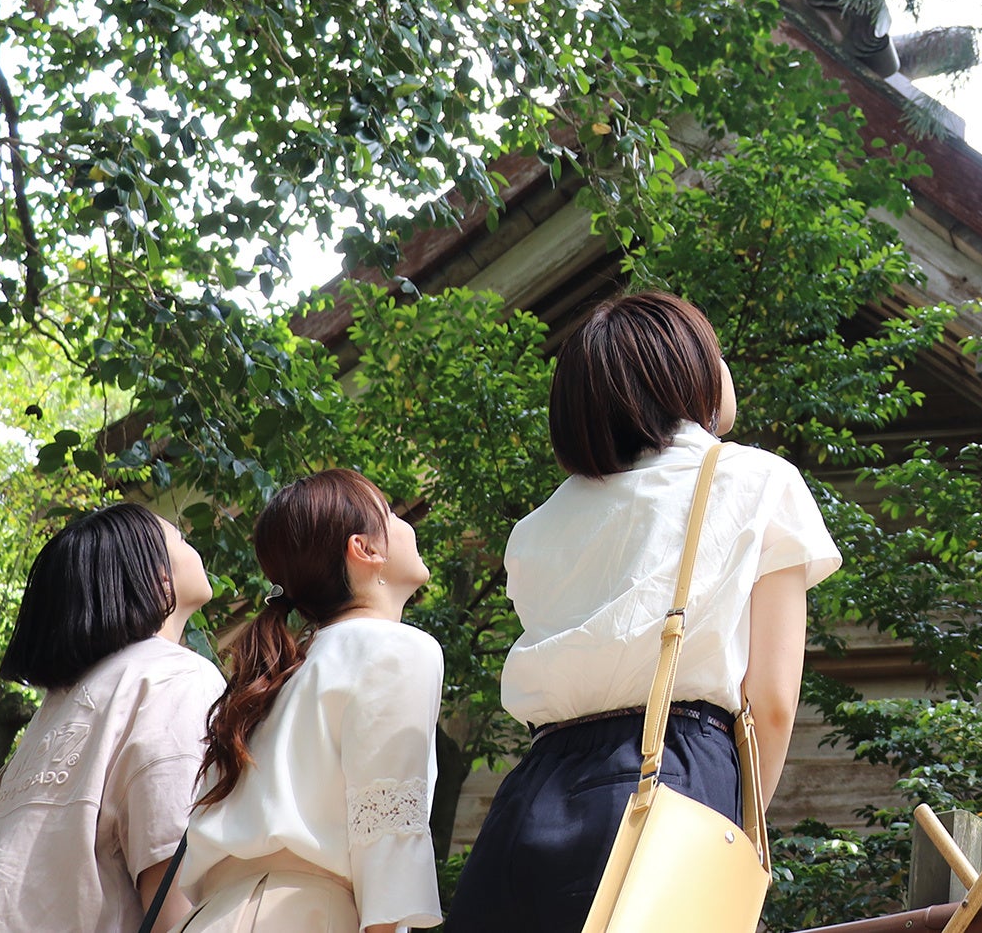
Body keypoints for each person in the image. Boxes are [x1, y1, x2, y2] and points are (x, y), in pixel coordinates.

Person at [447, 291, 842, 933]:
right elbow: (770, 701)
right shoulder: (756, 480)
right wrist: (739, 844)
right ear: (684, 371)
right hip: (672, 775)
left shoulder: (537, 527)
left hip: (529, 798)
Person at [0, 503, 224, 933]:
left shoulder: (56, 710)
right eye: (179, 539)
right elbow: (173, 887)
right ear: (159, 578)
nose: (190, 543)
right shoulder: (175, 677)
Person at [176, 467, 443, 933]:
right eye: (390, 513)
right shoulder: (396, 648)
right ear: (365, 549)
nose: (406, 523)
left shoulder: (271, 680)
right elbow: (387, 834)